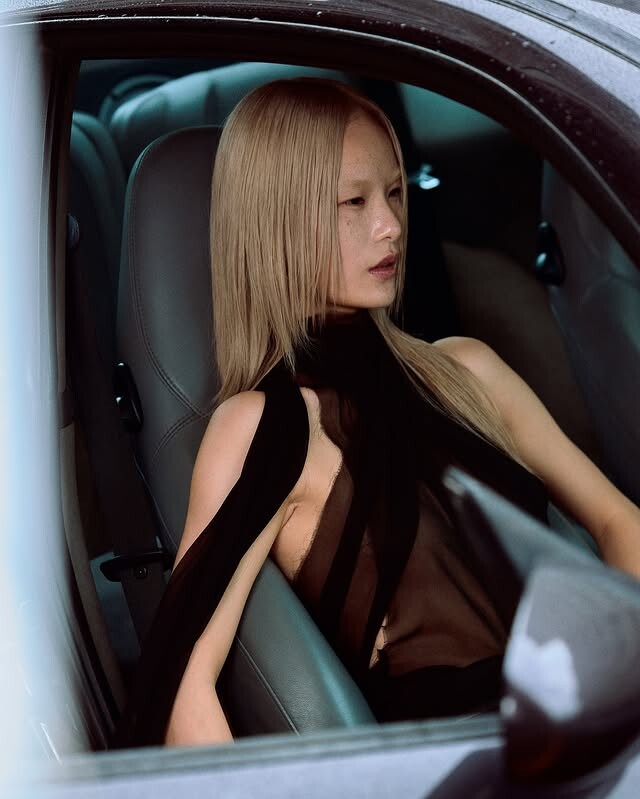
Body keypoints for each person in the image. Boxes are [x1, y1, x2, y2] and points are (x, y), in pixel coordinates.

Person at [116, 78, 640, 749]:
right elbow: (182, 689)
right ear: (279, 223)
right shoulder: (265, 427)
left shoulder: (466, 369)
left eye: (394, 192)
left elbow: (619, 522)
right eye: (354, 201)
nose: (391, 223)